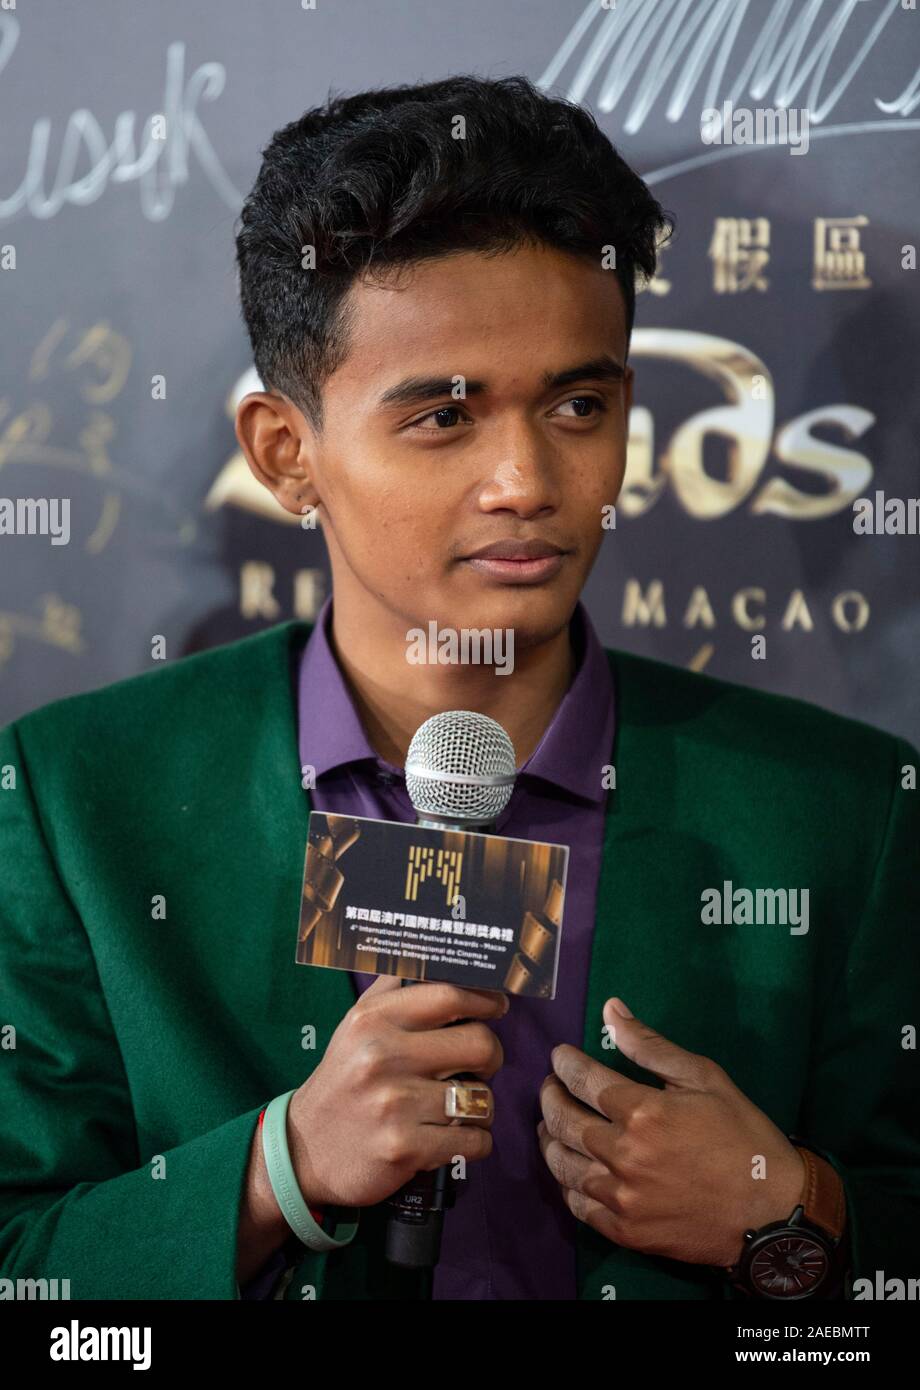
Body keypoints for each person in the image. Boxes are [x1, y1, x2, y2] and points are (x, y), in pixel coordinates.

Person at [1, 74, 917, 1303]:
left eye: (576, 404)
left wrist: (785, 1213)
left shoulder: (844, 814)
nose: (525, 478)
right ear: (287, 451)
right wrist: (275, 1171)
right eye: (442, 415)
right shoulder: (77, 798)